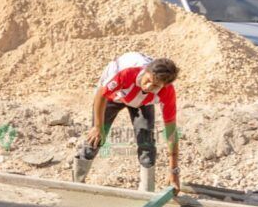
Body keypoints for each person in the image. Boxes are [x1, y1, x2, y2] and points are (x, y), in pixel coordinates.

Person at [73, 53, 181, 193]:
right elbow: (101, 95)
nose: (148, 86)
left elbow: (171, 132)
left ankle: (146, 192)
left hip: (142, 102)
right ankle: (76, 185)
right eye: (148, 80)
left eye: (155, 86)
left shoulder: (167, 92)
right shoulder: (127, 73)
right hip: (113, 97)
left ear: (164, 86)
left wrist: (174, 171)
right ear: (146, 70)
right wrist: (97, 127)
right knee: (96, 139)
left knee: (146, 143)